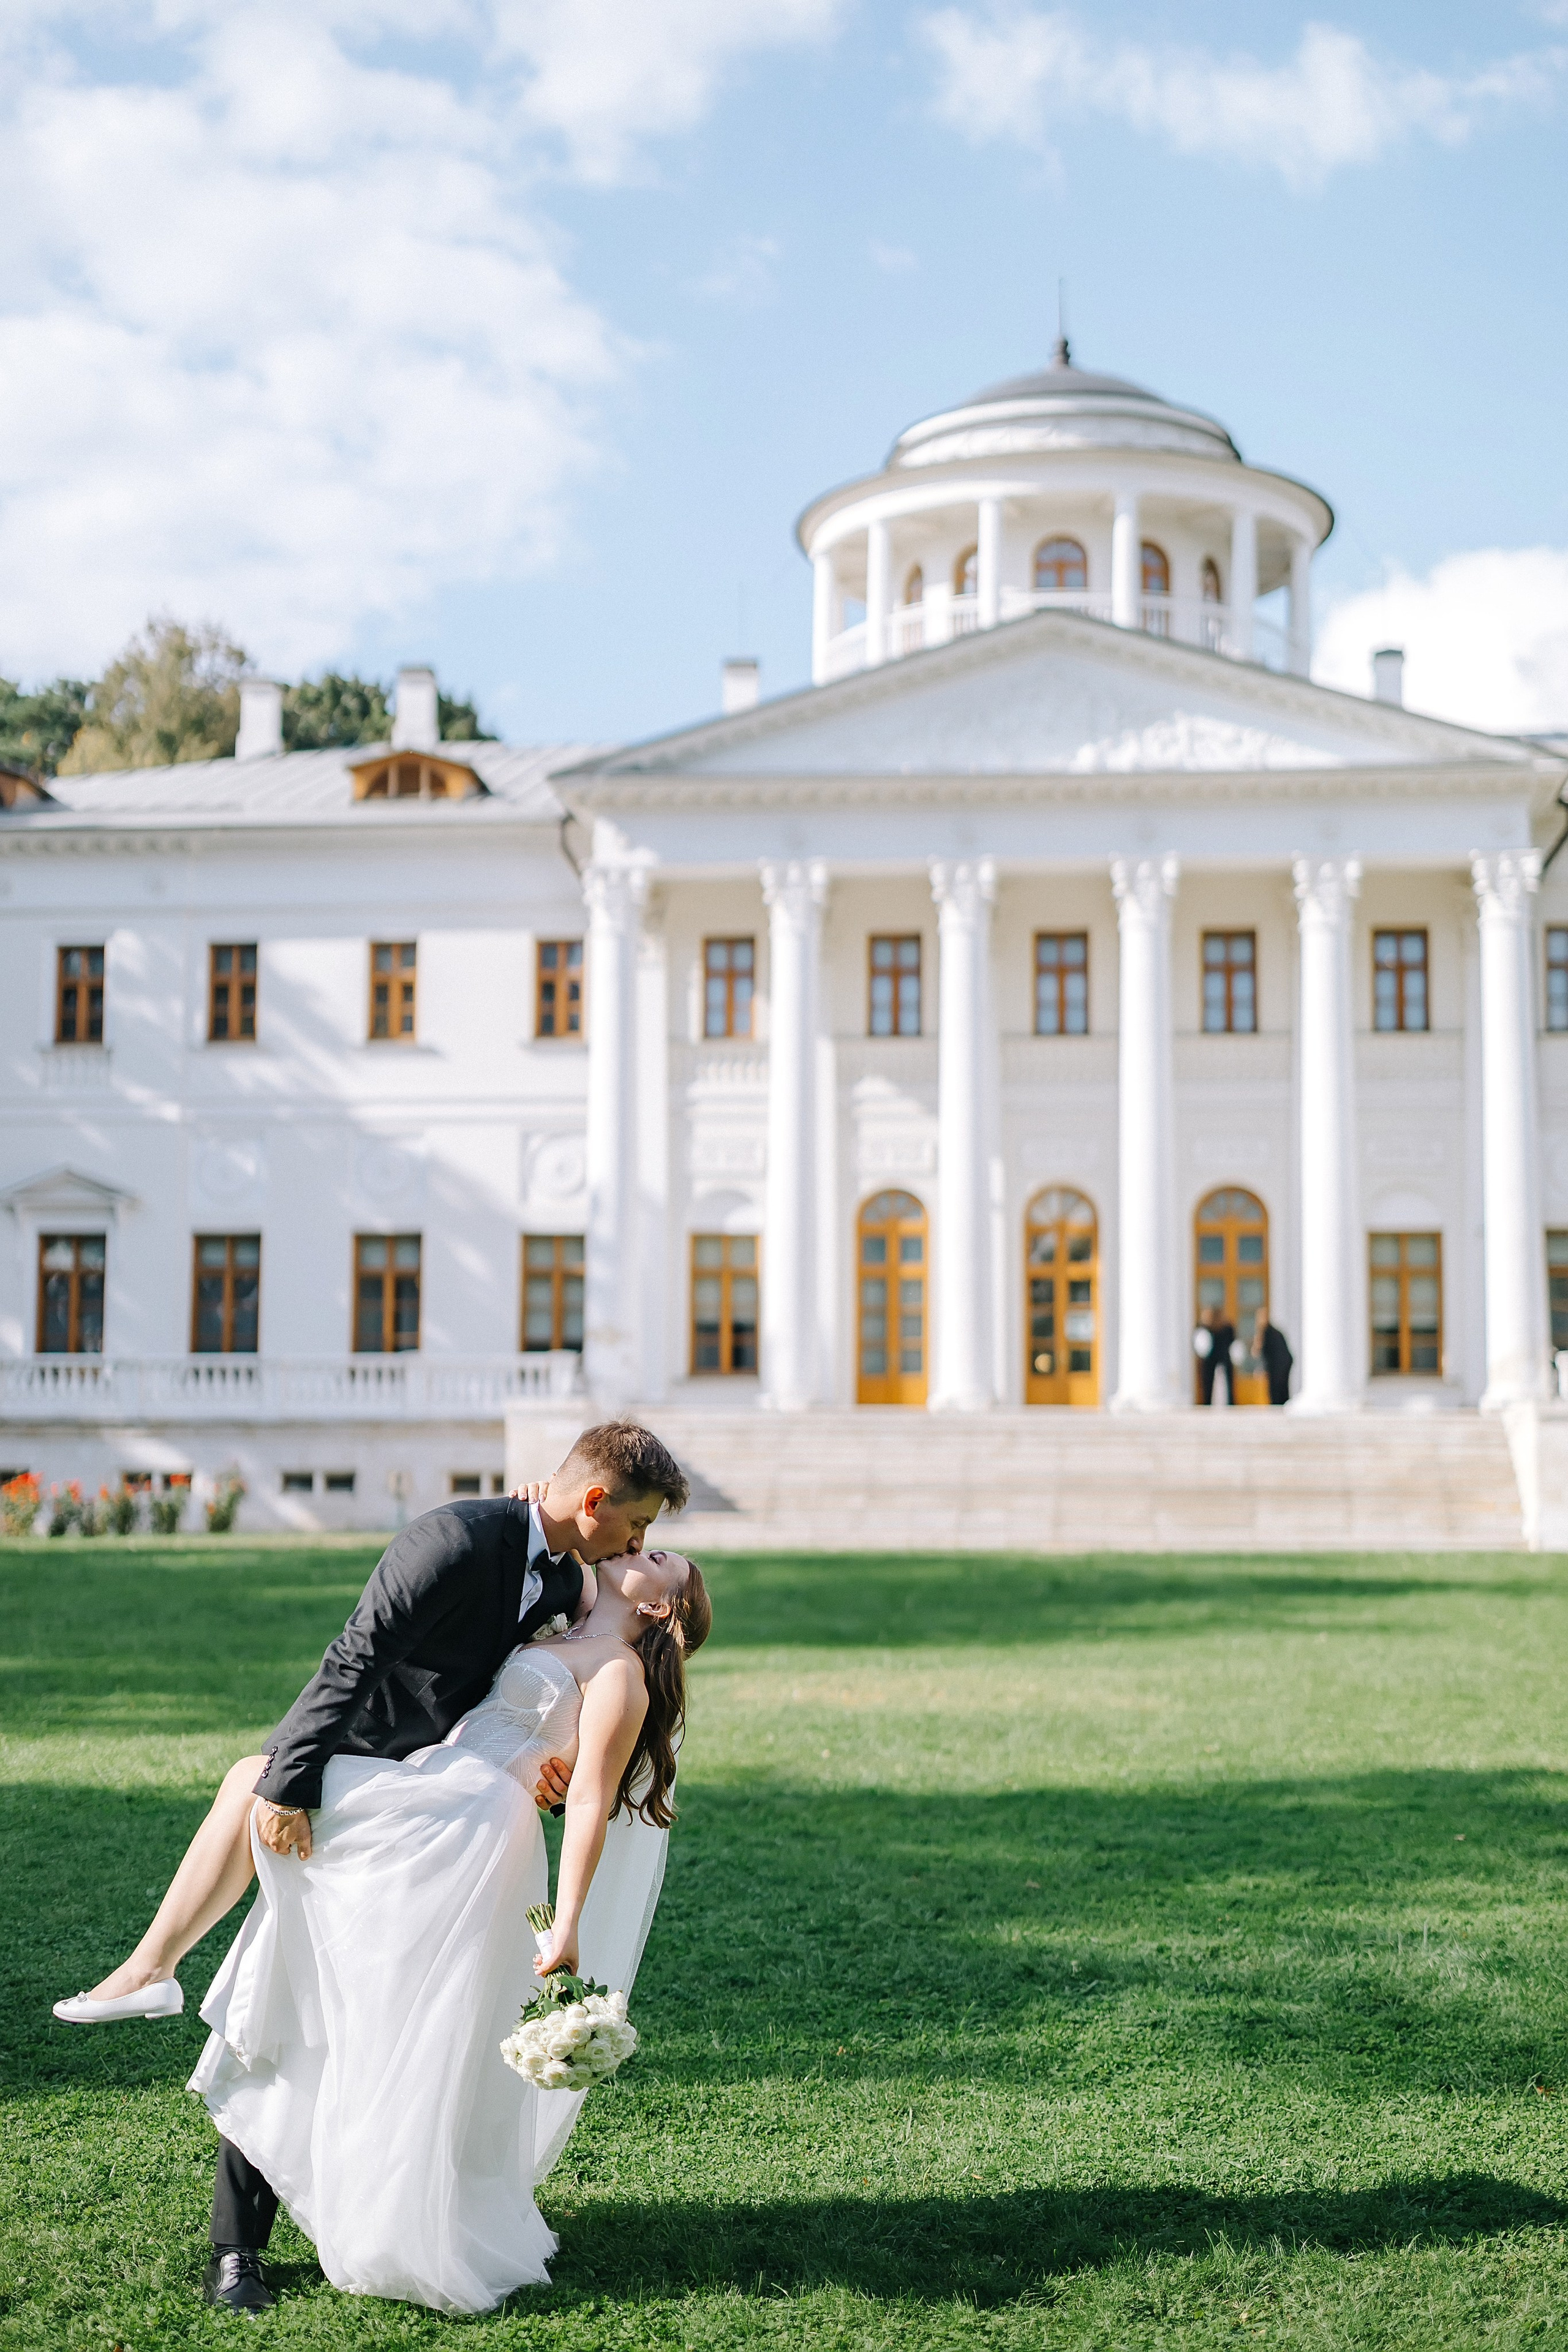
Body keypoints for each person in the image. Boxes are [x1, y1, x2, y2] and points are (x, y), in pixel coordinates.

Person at [53, 1420, 696, 2315]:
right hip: (405, 1789)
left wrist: (537, 1783)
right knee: (297, 1975)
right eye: (638, 1531)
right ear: (594, 1504)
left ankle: (155, 1972)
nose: (640, 1546)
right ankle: (236, 2242)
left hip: (458, 1831)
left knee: (349, 1996)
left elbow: (584, 1778)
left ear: (659, 1604)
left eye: (652, 1551)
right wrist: (294, 1779)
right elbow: (359, 1654)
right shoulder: (479, 1548)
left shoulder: (575, 1600)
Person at [1254, 1308, 1294, 1406]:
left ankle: (1278, 1404)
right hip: (1280, 1364)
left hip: (1280, 1364)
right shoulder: (1269, 1332)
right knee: (1279, 1387)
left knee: (1278, 1387)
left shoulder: (1269, 1333)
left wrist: (1263, 1369)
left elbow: (1264, 1352)